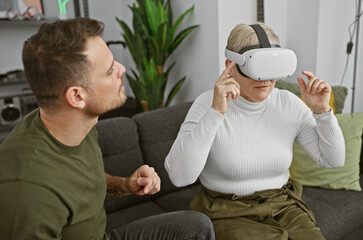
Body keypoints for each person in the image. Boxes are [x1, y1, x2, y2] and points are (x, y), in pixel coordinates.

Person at [0, 18, 214, 240]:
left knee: (195, 226)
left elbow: (79, 180)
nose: (121, 69)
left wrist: (126, 185)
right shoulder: (26, 191)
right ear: (76, 96)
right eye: (110, 69)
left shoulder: (77, 124)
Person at [165, 23, 345, 240]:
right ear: (230, 65)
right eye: (257, 68)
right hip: (226, 210)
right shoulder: (207, 105)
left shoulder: (288, 103)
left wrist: (322, 111)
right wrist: (215, 113)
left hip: (283, 204)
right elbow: (179, 177)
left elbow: (333, 160)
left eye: (272, 68)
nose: (266, 80)